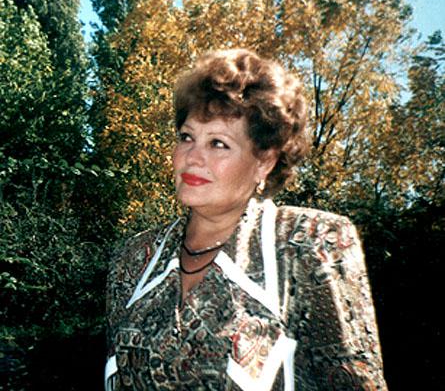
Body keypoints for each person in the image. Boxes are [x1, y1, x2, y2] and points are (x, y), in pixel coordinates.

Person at [105, 49, 388, 390]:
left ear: (264, 161)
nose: (193, 157)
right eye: (186, 137)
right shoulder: (134, 258)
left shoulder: (311, 244)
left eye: (218, 143)